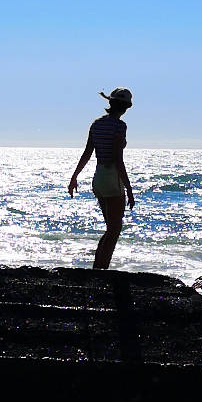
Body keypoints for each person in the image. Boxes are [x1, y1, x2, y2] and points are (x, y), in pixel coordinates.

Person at [68, 88, 135, 270]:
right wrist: (129, 188)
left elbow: (87, 153)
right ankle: (101, 269)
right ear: (126, 107)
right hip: (113, 177)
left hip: (99, 178)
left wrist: (74, 177)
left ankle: (97, 268)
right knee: (114, 230)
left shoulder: (96, 124)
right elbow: (118, 159)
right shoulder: (120, 126)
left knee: (110, 228)